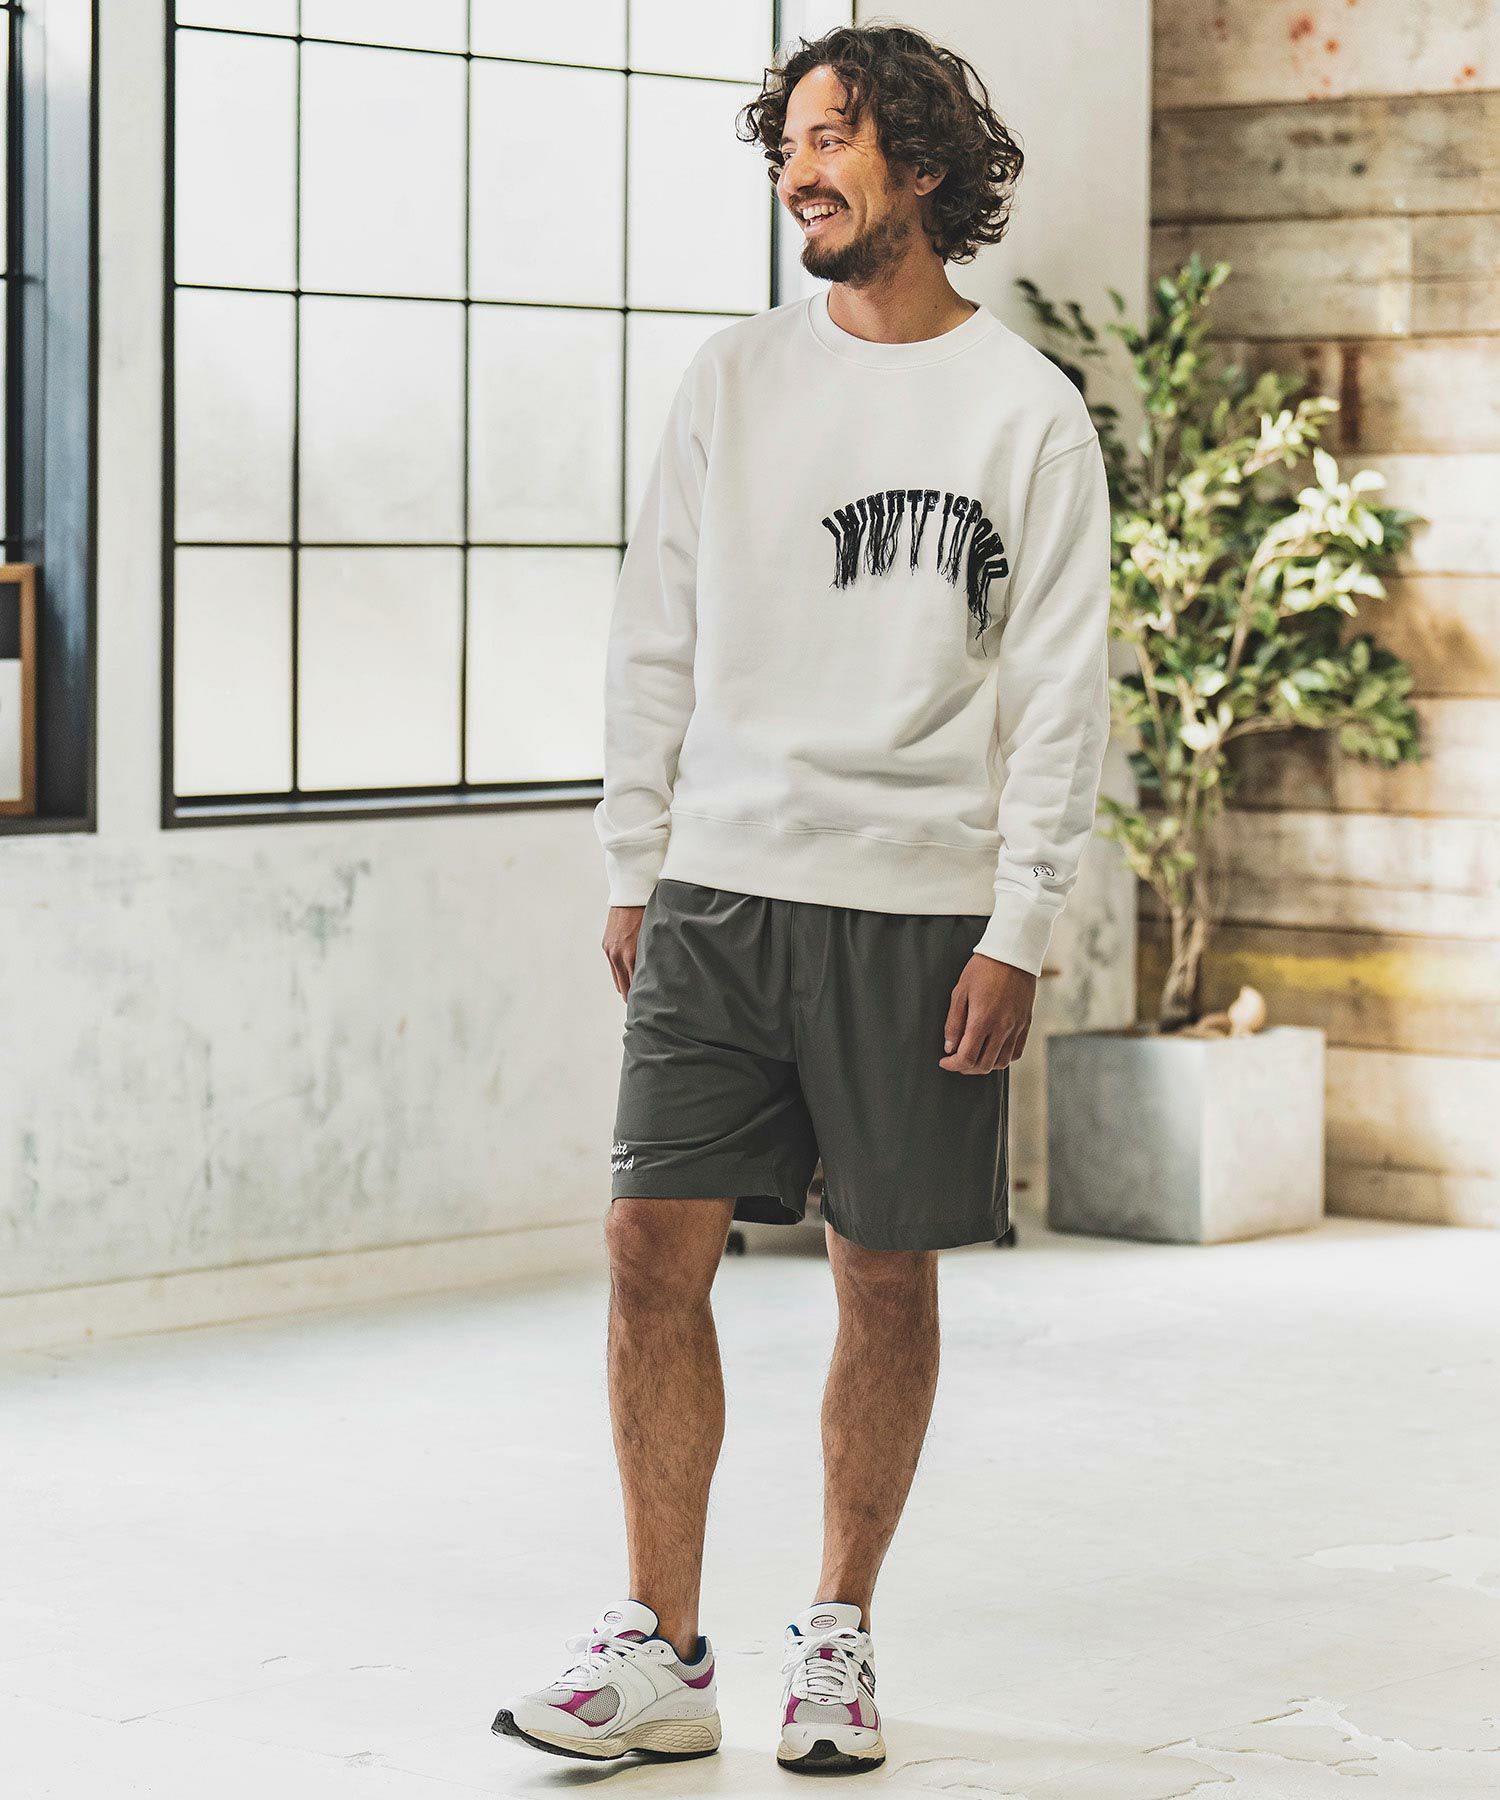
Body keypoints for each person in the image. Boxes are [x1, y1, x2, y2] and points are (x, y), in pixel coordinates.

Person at [493, 22, 1111, 1777]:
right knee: (646, 1248)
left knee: (884, 1275)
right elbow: (655, 630)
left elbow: (1060, 693)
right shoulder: (735, 380)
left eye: (834, 141)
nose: (799, 176)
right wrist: (635, 857)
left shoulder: (1026, 412)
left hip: (919, 907)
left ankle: (835, 1638)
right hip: (720, 886)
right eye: (788, 148)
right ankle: (660, 1647)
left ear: (925, 165)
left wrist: (1019, 923)